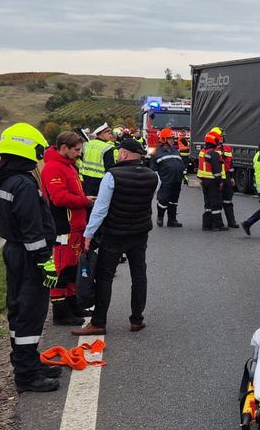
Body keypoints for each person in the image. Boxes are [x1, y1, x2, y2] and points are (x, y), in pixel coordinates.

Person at [0, 123, 60, 392]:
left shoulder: (6, 179)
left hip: (16, 252)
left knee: (19, 310)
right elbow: (33, 230)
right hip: (29, 257)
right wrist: (46, 262)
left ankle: (28, 362)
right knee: (30, 313)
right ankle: (27, 375)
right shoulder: (23, 184)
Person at [74, 136, 159, 335]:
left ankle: (98, 322)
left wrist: (88, 234)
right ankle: (137, 319)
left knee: (105, 278)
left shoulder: (112, 175)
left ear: (123, 154)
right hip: (140, 233)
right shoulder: (153, 176)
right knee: (139, 276)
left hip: (114, 234)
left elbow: (100, 209)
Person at [40, 131, 96, 326]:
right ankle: (60, 313)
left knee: (73, 269)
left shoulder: (69, 166)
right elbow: (59, 198)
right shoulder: (53, 168)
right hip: (64, 227)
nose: (79, 154)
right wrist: (85, 201)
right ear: (64, 148)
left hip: (76, 227)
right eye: (77, 150)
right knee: (61, 270)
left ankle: (73, 306)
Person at [151, 128, 185, 227]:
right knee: (163, 200)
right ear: (163, 139)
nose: (172, 140)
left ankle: (172, 220)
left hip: (177, 180)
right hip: (165, 181)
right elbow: (153, 168)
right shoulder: (156, 152)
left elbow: (180, 164)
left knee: (174, 201)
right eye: (170, 138)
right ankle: (160, 217)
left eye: (173, 138)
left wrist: (184, 175)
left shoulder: (175, 151)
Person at [208, 126, 240, 228]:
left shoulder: (227, 148)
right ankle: (215, 222)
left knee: (228, 200)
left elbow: (230, 164)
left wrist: (231, 178)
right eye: (221, 136)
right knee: (215, 202)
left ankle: (231, 221)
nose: (223, 138)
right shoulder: (210, 150)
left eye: (223, 136)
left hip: (226, 177)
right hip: (215, 178)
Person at [197, 131, 227, 231]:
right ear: (214, 141)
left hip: (204, 180)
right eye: (218, 139)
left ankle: (206, 224)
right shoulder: (214, 153)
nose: (220, 141)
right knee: (216, 203)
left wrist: (201, 179)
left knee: (208, 204)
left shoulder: (203, 151)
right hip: (213, 181)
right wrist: (220, 182)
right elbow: (216, 170)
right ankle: (218, 225)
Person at [81, 123, 115, 195]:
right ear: (102, 134)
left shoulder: (86, 144)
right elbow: (110, 167)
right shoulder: (107, 147)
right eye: (108, 133)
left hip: (85, 177)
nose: (110, 135)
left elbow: (81, 158)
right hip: (100, 180)